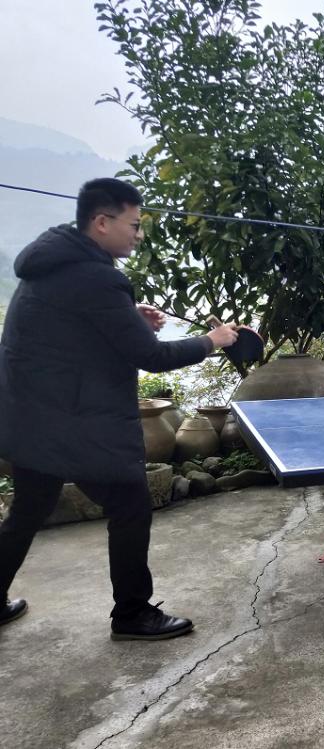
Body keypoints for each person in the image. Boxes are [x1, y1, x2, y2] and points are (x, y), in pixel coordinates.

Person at [0, 177, 239, 639]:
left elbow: (74, 333)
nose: (139, 234)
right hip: (69, 422)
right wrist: (213, 340)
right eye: (134, 224)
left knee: (29, 509)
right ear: (102, 222)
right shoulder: (97, 277)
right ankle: (132, 614)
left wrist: (128, 317)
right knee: (131, 504)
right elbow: (151, 356)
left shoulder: (52, 262)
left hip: (30, 418)